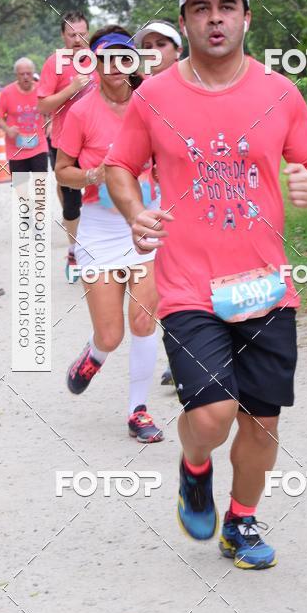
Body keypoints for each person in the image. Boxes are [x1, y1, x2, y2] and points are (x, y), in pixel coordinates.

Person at [105, 0, 307, 569]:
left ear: (245, 18)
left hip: (265, 288)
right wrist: (134, 211)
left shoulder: (279, 92)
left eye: (227, 6)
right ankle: (195, 464)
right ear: (185, 22)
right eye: (201, 8)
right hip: (189, 287)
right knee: (212, 415)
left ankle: (241, 521)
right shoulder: (154, 97)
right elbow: (119, 165)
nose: (215, 18)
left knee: (261, 423)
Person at [56, 26, 163, 443]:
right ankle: (95, 352)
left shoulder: (151, 103)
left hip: (145, 222)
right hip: (100, 229)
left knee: (143, 320)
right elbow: (62, 171)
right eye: (107, 58)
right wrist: (92, 175)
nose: (116, 65)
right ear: (94, 63)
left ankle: (138, 410)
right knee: (111, 334)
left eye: (124, 57)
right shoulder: (81, 112)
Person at [133, 20, 183, 388]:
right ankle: (179, 358)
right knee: (165, 286)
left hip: (203, 203)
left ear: (177, 51)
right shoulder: (137, 97)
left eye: (160, 44)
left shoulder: (198, 89)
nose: (152, 52)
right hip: (156, 205)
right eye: (146, 46)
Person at [37, 10, 99, 281]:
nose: (77, 39)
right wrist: (71, 89)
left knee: (106, 194)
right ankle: (74, 250)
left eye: (82, 34)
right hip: (65, 141)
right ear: (63, 36)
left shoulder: (100, 58)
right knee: (72, 201)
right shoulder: (54, 63)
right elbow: (43, 106)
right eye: (72, 35)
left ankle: (104, 247)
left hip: (97, 140)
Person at [0, 58, 49, 172]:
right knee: (20, 184)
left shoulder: (42, 90)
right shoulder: (7, 92)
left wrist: (51, 123)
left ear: (33, 73)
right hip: (16, 150)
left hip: (39, 146)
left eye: (28, 73)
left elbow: (52, 108)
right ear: (16, 75)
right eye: (22, 74)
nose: (25, 77)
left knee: (40, 182)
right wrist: (8, 129)